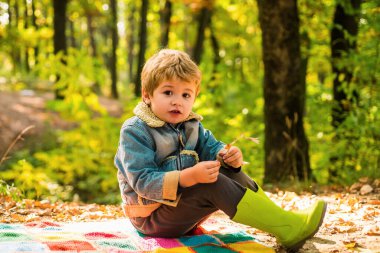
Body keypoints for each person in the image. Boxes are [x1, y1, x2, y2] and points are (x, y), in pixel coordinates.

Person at [114, 49, 327, 251]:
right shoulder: (135, 131)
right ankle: (287, 227)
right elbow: (142, 181)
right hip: (151, 218)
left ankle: (284, 220)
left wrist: (227, 157)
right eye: (168, 92)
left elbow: (212, 147)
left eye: (186, 95)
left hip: (181, 211)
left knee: (228, 172)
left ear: (194, 97)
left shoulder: (191, 126)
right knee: (210, 183)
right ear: (147, 95)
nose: (177, 101)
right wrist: (188, 177)